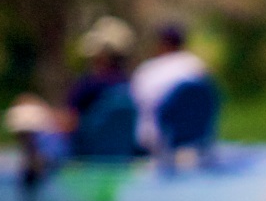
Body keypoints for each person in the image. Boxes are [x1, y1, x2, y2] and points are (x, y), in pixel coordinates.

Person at [67, 16, 140, 160]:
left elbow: (69, 121)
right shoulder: (127, 84)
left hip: (87, 155)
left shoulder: (89, 85)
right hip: (123, 156)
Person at [129, 23, 210, 153]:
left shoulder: (147, 70)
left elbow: (135, 105)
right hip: (197, 142)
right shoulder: (197, 66)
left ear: (161, 44)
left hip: (153, 143)